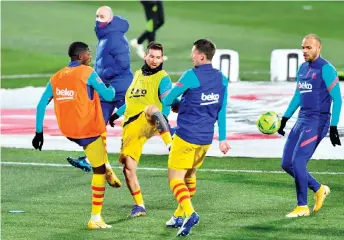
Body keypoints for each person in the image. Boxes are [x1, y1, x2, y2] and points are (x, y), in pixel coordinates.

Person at [32, 42, 122, 229]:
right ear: (81, 56)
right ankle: (95, 219)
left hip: (69, 131)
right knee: (97, 170)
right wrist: (112, 88)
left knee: (96, 149)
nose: (91, 56)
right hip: (88, 130)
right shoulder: (87, 73)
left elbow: (41, 105)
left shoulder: (56, 77)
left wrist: (38, 133)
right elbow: (107, 94)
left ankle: (105, 166)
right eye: (89, 53)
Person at [162, 39, 230, 237]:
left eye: (193, 53)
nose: (191, 56)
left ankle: (191, 214)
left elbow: (167, 99)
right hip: (205, 140)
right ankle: (178, 216)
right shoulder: (223, 79)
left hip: (185, 136)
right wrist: (223, 139)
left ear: (202, 55)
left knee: (175, 179)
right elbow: (222, 110)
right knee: (189, 176)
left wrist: (177, 102)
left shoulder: (191, 75)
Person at [278, 33, 342, 218]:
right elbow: (298, 96)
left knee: (298, 162)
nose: (304, 51)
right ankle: (319, 188)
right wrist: (285, 118)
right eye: (303, 48)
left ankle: (302, 206)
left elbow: (337, 99)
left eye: (308, 48)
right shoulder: (302, 69)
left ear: (318, 48)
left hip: (317, 122)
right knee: (287, 163)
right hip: (302, 120)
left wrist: (333, 126)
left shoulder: (326, 69)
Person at [66, 6, 133, 181]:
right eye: (97, 16)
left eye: (102, 17)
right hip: (108, 88)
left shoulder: (114, 37)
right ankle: (90, 159)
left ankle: (171, 137)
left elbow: (124, 63)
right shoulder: (105, 35)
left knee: (142, 116)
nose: (98, 20)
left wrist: (104, 75)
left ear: (110, 19)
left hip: (120, 87)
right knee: (96, 122)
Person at [108, 41, 173, 217]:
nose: (154, 60)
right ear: (145, 56)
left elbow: (166, 102)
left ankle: (170, 145)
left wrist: (164, 118)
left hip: (148, 120)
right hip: (130, 125)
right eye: (151, 56)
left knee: (151, 109)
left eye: (158, 57)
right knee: (128, 168)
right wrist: (116, 114)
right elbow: (132, 100)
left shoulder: (163, 78)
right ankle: (140, 206)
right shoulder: (137, 74)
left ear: (162, 59)